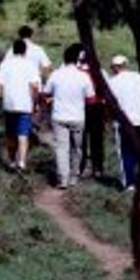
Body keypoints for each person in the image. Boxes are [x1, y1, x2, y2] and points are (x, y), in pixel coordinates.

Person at [43, 43, 95, 189]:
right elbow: (91, 99)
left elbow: (46, 94)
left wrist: (51, 101)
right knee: (76, 148)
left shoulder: (56, 75)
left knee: (61, 148)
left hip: (59, 116)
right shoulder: (84, 76)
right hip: (78, 117)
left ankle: (63, 179)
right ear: (77, 60)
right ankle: (74, 175)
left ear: (64, 59)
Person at [0, 39, 41, 172]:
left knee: (11, 135)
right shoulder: (30, 65)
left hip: (9, 104)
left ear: (13, 50)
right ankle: (21, 163)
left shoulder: (5, 64)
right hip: (24, 104)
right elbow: (34, 86)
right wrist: (36, 102)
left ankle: (12, 161)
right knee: (23, 135)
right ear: (25, 51)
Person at [108, 55, 140, 192]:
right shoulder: (138, 77)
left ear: (114, 67)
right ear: (125, 65)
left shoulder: (112, 81)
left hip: (124, 121)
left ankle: (129, 183)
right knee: (139, 151)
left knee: (125, 152)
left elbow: (110, 103)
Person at [77, 46, 108, 179]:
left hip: (81, 107)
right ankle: (98, 168)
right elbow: (107, 90)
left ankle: (81, 167)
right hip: (97, 107)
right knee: (97, 139)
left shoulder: (76, 72)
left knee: (81, 139)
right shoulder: (100, 71)